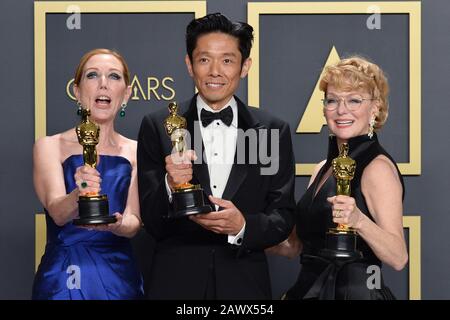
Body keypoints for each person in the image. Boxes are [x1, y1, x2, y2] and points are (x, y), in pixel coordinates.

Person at [137, 13, 295, 299]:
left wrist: (244, 226)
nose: (215, 71)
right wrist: (170, 186)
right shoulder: (158, 125)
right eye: (204, 59)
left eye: (227, 60)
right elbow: (151, 220)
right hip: (175, 284)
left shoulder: (272, 130)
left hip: (245, 286)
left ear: (245, 66)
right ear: (189, 64)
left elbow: (282, 216)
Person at [267, 56, 408, 300]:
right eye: (332, 100)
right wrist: (242, 230)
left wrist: (358, 220)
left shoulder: (377, 168)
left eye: (354, 100)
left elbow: (398, 257)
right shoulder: (322, 167)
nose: (341, 110)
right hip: (308, 291)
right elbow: (295, 247)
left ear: (375, 108)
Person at [32, 48, 143, 299]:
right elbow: (58, 213)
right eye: (93, 75)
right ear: (77, 91)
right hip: (62, 278)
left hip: (119, 277)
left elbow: (133, 221)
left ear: (126, 95)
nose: (103, 84)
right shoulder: (50, 146)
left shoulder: (137, 151)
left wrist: (116, 225)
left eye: (114, 77)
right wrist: (79, 193)